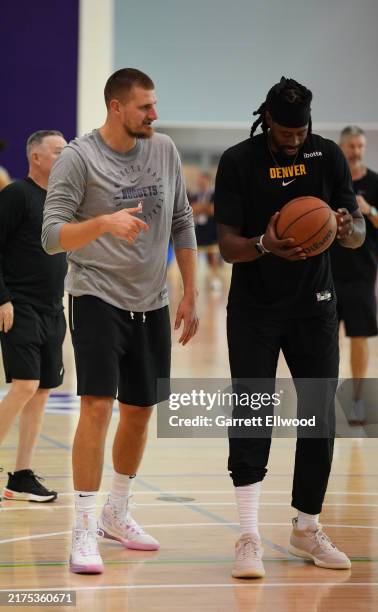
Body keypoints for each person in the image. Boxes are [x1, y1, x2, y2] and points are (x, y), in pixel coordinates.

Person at [42, 68, 199, 574]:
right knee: (95, 405)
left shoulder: (164, 150)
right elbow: (52, 237)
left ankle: (117, 510)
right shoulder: (78, 158)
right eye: (145, 107)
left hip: (151, 298)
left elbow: (181, 220)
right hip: (96, 294)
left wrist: (191, 289)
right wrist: (102, 223)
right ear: (116, 107)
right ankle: (83, 527)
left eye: (154, 105)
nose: (154, 114)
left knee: (138, 411)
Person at [214, 76, 365, 579]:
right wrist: (264, 244)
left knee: (321, 415)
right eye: (285, 131)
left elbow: (356, 233)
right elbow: (227, 244)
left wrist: (347, 229)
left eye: (301, 132)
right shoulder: (239, 160)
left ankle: (307, 525)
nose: (294, 139)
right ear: (267, 119)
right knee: (254, 412)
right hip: (255, 308)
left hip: (315, 306)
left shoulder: (328, 157)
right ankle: (248, 535)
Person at [0, 130, 67, 502]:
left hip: (53, 307)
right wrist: (2, 299)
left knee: (41, 391)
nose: (65, 156)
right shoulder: (15, 196)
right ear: (36, 157)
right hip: (18, 305)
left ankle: (21, 476)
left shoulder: (62, 202)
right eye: (59, 151)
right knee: (24, 385)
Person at [330, 126, 378, 424]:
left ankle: (357, 400)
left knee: (358, 337)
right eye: (350, 146)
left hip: (361, 274)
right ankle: (324, 401)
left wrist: (369, 210)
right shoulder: (330, 179)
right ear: (341, 147)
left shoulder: (377, 183)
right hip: (327, 273)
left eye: (360, 146)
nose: (356, 151)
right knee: (326, 341)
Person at [189, 171, 222, 290]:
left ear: (208, 180)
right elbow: (191, 209)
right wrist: (204, 207)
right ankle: (192, 284)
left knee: (212, 256)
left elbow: (213, 210)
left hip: (211, 229)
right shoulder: (195, 195)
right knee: (193, 257)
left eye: (202, 179)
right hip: (199, 229)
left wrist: (201, 207)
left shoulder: (215, 194)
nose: (199, 182)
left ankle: (215, 279)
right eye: (198, 180)